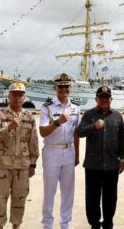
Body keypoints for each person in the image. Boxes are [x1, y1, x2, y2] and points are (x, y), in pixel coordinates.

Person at [0, 82, 39, 229]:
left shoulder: (29, 117)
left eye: (20, 95)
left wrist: (33, 163)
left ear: (24, 97)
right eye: (14, 94)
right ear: (9, 96)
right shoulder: (0, 115)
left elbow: (33, 142)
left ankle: (16, 226)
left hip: (23, 165)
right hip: (2, 165)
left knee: (20, 198)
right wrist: (7, 128)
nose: (17, 97)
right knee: (0, 198)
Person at [78, 86, 124, 229]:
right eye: (101, 97)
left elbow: (122, 138)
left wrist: (122, 159)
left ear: (111, 99)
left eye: (107, 97)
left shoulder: (117, 116)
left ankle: (108, 223)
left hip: (112, 164)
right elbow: (80, 132)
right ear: (96, 99)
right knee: (92, 197)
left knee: (110, 197)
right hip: (93, 164)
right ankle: (94, 224)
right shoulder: (88, 114)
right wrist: (94, 126)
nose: (104, 100)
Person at [39, 73, 81, 229]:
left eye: (66, 86)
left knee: (68, 191)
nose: (63, 89)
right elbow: (43, 132)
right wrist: (57, 122)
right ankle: (47, 224)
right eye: (60, 86)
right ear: (55, 88)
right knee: (49, 190)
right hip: (51, 151)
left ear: (70, 88)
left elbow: (76, 132)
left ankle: (65, 224)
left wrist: (77, 153)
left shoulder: (76, 107)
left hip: (69, 151)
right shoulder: (47, 107)